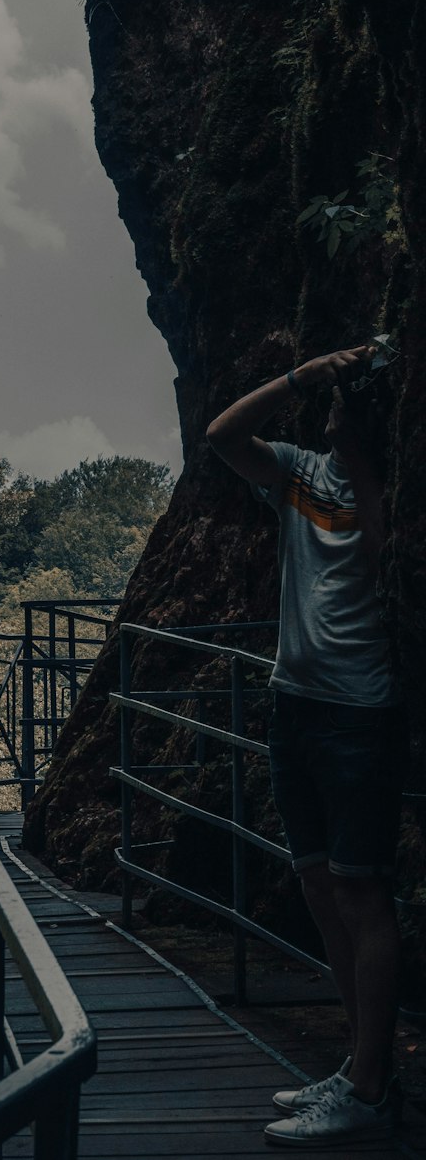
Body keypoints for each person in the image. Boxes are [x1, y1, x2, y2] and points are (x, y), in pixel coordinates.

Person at [206, 344, 406, 1148]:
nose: (337, 410)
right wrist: (304, 373)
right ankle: (359, 1062)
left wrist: (362, 462)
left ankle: (372, 1086)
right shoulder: (297, 472)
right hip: (295, 704)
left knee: (363, 895)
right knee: (319, 885)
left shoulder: (385, 484)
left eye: (349, 399)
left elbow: (381, 556)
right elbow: (221, 435)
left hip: (361, 714)